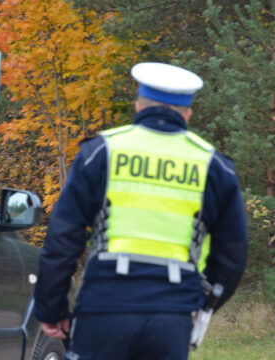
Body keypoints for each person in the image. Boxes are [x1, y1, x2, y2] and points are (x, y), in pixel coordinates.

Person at [34, 62, 247, 360]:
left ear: (138, 105)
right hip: (171, 316)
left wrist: (51, 306)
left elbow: (63, 239)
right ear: (187, 112)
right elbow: (232, 256)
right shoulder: (214, 166)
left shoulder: (100, 153)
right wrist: (202, 304)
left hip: (103, 307)